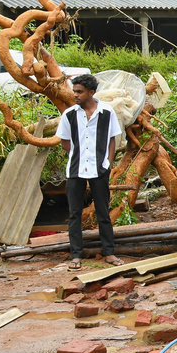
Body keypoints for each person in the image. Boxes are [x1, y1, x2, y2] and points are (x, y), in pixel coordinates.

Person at [58, 74, 124, 271]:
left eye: (79, 92)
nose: (75, 95)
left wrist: (108, 163)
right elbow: (64, 141)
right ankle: (76, 255)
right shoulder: (69, 114)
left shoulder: (107, 112)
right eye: (74, 91)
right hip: (75, 169)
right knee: (74, 214)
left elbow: (112, 139)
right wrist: (77, 155)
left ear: (91, 92)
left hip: (99, 168)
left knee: (103, 212)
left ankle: (109, 252)